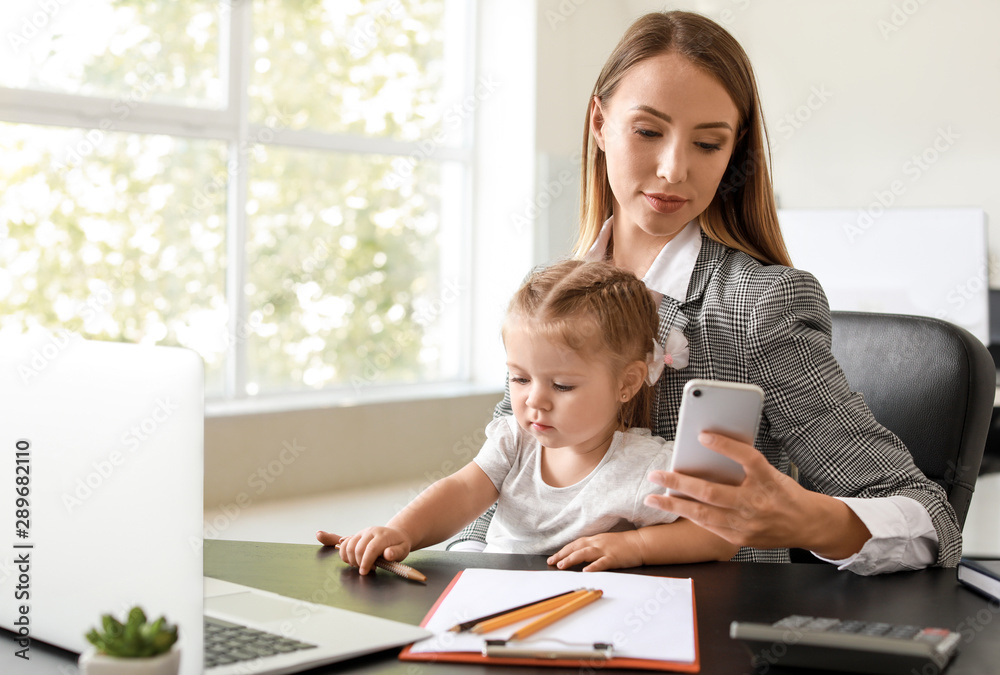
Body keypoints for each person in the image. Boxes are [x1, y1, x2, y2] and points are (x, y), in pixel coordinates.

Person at [451, 10, 961, 574]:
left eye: (708, 144)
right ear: (599, 123)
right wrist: (471, 570)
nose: (674, 170)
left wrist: (807, 520)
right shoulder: (551, 297)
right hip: (537, 620)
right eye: (648, 132)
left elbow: (933, 519)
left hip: (706, 627)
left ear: (734, 151)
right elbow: (500, 467)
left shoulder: (761, 305)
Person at [318, 260, 739, 573]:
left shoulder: (643, 465)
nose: (535, 402)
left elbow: (719, 536)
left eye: (562, 386)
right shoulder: (513, 440)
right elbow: (462, 491)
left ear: (626, 383)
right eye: (519, 379)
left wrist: (637, 547)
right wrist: (401, 532)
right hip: (493, 595)